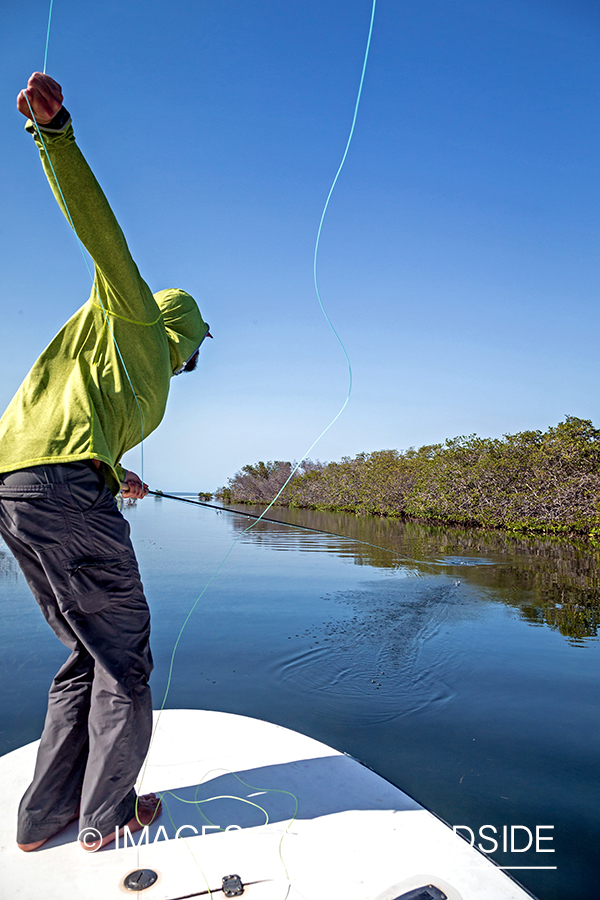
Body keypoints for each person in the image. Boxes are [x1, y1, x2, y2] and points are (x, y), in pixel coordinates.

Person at [0, 72, 211, 852]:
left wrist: (115, 473)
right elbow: (102, 234)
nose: (188, 364)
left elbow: (78, 424)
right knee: (122, 657)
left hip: (14, 485)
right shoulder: (137, 320)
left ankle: (41, 818)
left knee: (83, 653)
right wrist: (53, 134)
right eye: (192, 350)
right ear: (181, 333)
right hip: (59, 491)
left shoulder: (127, 367)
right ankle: (107, 815)